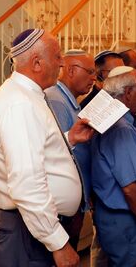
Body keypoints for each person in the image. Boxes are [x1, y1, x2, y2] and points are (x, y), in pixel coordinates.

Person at [0, 29, 94, 267]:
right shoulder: (20, 104)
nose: (62, 63)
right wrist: (59, 243)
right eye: (57, 57)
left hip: (30, 227)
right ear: (36, 62)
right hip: (26, 231)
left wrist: (68, 138)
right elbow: (27, 183)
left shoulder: (26, 96)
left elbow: (34, 149)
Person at [90, 66, 136, 267]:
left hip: (114, 217)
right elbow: (130, 188)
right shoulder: (120, 128)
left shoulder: (112, 121)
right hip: (126, 221)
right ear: (129, 93)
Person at [44, 49, 96, 249]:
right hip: (62, 205)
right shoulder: (56, 99)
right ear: (72, 70)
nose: (94, 78)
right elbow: (62, 152)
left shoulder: (69, 99)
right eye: (90, 72)